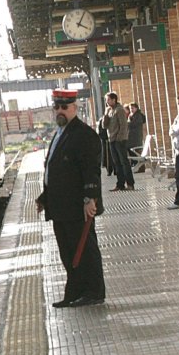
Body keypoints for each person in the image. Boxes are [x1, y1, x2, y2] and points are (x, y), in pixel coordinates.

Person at [35, 89, 105, 308]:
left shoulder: (84, 134)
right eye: (56, 107)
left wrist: (90, 198)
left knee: (84, 250)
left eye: (64, 107)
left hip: (78, 207)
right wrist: (44, 197)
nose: (60, 111)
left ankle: (93, 292)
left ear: (75, 108)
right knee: (68, 252)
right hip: (61, 207)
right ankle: (74, 292)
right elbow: (56, 171)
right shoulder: (60, 133)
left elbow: (91, 170)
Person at [103, 92, 134, 191]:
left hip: (119, 140)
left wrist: (119, 138)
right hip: (111, 139)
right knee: (116, 163)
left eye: (108, 100)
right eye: (106, 100)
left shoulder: (119, 110)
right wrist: (105, 115)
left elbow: (123, 125)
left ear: (113, 100)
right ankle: (120, 184)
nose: (107, 102)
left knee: (124, 162)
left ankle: (130, 183)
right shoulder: (109, 111)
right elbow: (104, 126)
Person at [127, 102, 146, 167]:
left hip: (136, 137)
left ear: (136, 108)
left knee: (136, 151)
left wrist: (127, 124)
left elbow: (133, 124)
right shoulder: (131, 115)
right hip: (131, 137)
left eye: (132, 108)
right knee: (130, 150)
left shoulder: (138, 115)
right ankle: (134, 164)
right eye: (130, 108)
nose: (131, 110)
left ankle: (139, 166)